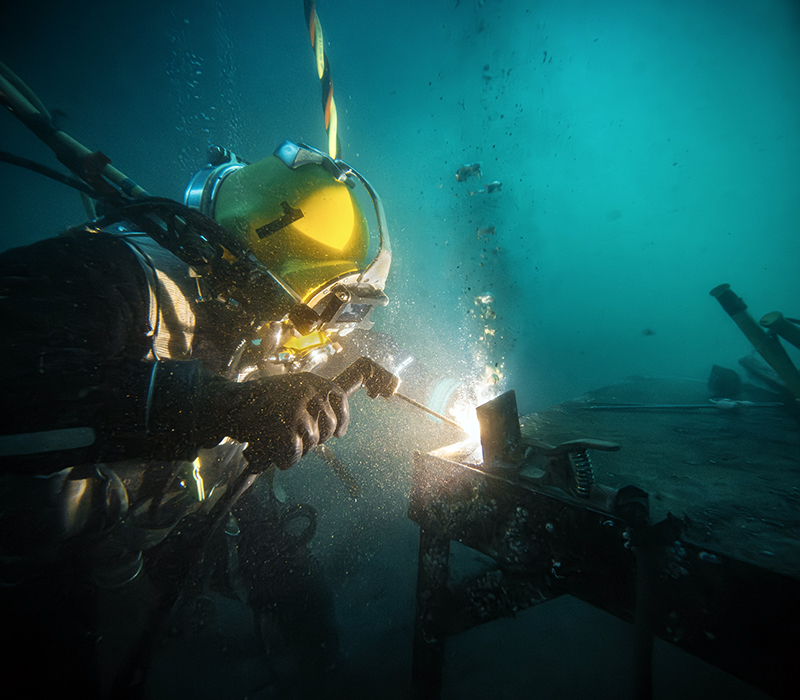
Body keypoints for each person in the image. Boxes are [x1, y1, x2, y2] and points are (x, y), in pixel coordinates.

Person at [0, 134, 394, 697]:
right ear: (273, 283)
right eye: (335, 308)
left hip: (110, 544)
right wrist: (223, 406)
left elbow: (225, 445)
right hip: (32, 580)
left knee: (289, 576)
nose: (328, 334)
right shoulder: (109, 277)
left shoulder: (239, 328)